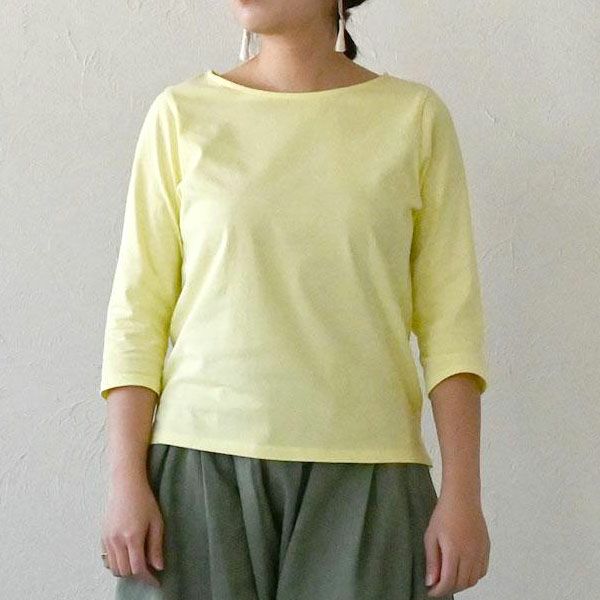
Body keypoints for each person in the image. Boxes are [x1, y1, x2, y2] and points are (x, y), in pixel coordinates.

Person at [98, 1, 491, 598]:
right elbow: (138, 312)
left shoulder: (413, 118)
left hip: (369, 471)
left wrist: (464, 494)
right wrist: (126, 481)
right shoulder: (180, 114)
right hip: (200, 467)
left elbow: (450, 323)